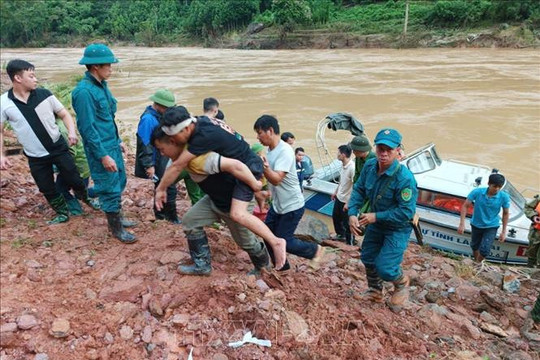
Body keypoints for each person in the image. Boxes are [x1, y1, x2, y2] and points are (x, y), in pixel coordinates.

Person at [154, 106, 287, 269]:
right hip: (217, 199)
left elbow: (236, 166)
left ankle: (268, 259)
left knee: (244, 234)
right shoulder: (198, 124)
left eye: (171, 140)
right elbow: (174, 167)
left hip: (244, 175)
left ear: (186, 129)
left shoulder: (200, 153)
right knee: (190, 221)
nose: (164, 151)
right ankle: (201, 265)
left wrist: (256, 185)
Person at [0, 59, 96, 224]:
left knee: (74, 177)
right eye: (31, 76)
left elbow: (64, 114)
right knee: (46, 187)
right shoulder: (4, 103)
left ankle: (86, 199)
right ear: (18, 78)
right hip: (35, 155)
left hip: (58, 147)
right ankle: (62, 212)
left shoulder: (45, 94)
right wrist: (2, 155)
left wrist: (72, 132)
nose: (36, 79)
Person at [72, 43, 137, 244]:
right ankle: (115, 228)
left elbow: (107, 117)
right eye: (108, 65)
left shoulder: (102, 86)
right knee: (109, 186)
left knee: (120, 180)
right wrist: (103, 155)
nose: (111, 68)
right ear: (95, 67)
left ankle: (117, 216)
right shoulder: (83, 93)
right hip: (100, 148)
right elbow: (87, 129)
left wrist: (118, 141)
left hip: (111, 144)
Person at [348, 128, 417, 310]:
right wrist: (352, 213)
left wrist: (375, 216)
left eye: (389, 149)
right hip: (376, 223)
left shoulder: (405, 179)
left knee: (386, 268)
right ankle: (375, 291)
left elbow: (406, 212)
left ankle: (401, 283)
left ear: (397, 151)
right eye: (380, 148)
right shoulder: (370, 166)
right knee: (368, 257)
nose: (384, 153)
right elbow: (359, 190)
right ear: (375, 148)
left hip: (397, 227)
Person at [254, 115, 326, 271]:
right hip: (278, 205)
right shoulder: (270, 151)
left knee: (285, 240)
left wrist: (265, 168)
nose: (258, 137)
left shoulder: (285, 151)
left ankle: (316, 250)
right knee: (268, 236)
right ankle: (282, 267)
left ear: (270, 131)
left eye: (260, 133)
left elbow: (277, 179)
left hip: (292, 205)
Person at [135, 89, 202, 223]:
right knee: (166, 187)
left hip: (163, 158)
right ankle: (165, 218)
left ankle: (167, 217)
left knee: (167, 186)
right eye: (166, 107)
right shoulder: (148, 119)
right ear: (158, 104)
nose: (167, 110)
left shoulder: (159, 116)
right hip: (156, 160)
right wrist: (149, 165)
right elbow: (144, 143)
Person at [458, 173, 510, 263]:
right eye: (495, 186)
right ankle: (476, 261)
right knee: (474, 246)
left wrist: (504, 231)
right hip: (476, 224)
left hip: (492, 225)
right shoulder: (477, 192)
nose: (497, 189)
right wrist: (462, 223)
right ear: (489, 184)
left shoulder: (504, 197)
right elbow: (465, 206)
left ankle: (477, 263)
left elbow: (505, 213)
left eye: (499, 187)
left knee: (485, 250)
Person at [54, 118, 100, 215]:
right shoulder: (60, 123)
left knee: (65, 191)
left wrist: (56, 166)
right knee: (75, 191)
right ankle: (77, 209)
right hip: (78, 165)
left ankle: (103, 190)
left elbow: (71, 153)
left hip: (76, 167)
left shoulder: (59, 130)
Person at [331, 145, 355, 245]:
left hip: (346, 200)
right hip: (340, 197)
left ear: (343, 155)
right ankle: (341, 235)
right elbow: (341, 181)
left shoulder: (352, 168)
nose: (337, 155)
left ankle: (350, 242)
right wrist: (335, 192)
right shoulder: (343, 165)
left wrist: (349, 203)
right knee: (335, 217)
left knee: (347, 223)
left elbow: (355, 187)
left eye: (338, 153)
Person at [524, 194, 540, 268]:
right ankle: (529, 270)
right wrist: (533, 216)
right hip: (536, 233)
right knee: (531, 255)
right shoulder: (538, 199)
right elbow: (528, 207)